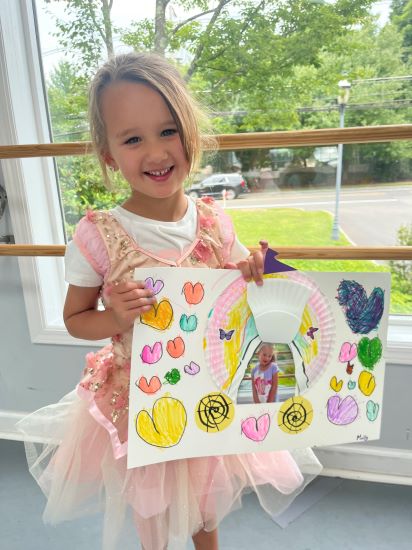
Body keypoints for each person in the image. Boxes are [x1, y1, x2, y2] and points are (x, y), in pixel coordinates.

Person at [18, 52, 322, 550]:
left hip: (206, 389)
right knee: (152, 503)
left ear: (189, 134)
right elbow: (76, 319)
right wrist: (113, 315)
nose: (156, 152)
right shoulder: (98, 236)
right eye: (133, 138)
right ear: (109, 155)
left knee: (204, 498)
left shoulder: (213, 221)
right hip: (141, 398)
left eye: (168, 131)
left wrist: (261, 269)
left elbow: (247, 286)